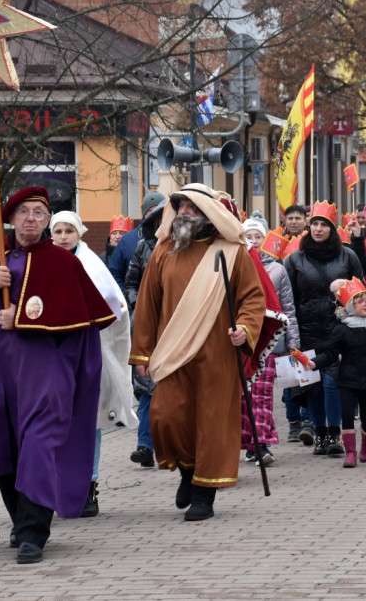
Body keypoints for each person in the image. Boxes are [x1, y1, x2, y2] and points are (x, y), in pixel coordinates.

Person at [0, 187, 116, 564]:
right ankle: (20, 519)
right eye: (24, 212)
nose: (31, 219)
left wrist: (19, 317)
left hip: (43, 372)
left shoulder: (63, 263)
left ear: (48, 219)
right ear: (11, 217)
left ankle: (34, 531)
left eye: (38, 212)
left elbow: (80, 322)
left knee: (39, 443)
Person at [130, 183, 266, 521]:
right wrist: (143, 353)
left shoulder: (232, 252)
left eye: (191, 208)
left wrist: (245, 329)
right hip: (172, 350)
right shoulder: (163, 251)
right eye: (179, 207)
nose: (183, 213)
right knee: (166, 418)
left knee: (211, 422)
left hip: (216, 351)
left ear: (208, 214)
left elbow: (252, 298)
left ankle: (205, 494)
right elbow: (147, 305)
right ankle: (188, 473)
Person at [49, 210, 136, 518]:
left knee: (89, 422)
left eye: (68, 231)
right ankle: (53, 487)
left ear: (79, 233)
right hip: (51, 356)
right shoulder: (43, 261)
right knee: (53, 422)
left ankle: (89, 485)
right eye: (57, 231)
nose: (62, 237)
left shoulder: (90, 264)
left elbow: (115, 305)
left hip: (87, 352)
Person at [283, 200, 364, 456]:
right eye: (315, 224)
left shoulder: (347, 256)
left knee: (332, 382)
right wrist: (290, 334)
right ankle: (319, 433)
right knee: (311, 384)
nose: (319, 229)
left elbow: (359, 293)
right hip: (306, 331)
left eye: (324, 225)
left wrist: (345, 294)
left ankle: (334, 433)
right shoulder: (294, 259)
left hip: (337, 330)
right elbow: (288, 298)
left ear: (332, 229)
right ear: (309, 227)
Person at [308, 277, 366, 467]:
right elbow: (331, 353)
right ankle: (350, 453)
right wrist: (314, 363)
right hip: (347, 379)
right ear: (350, 305)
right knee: (347, 415)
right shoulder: (342, 329)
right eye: (361, 301)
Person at [242, 216, 298, 465]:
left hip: (270, 341)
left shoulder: (277, 269)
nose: (253, 241)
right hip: (242, 341)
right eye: (249, 237)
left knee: (263, 394)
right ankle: (249, 441)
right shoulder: (237, 267)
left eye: (258, 237)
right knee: (244, 395)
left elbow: (288, 308)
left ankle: (262, 442)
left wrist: (292, 341)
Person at [125, 196, 167, 469]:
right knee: (147, 389)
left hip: (175, 325)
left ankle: (172, 446)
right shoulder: (143, 247)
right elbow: (131, 282)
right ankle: (145, 445)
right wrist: (137, 304)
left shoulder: (183, 249)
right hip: (145, 324)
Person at [109, 190, 167, 289]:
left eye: (160, 210)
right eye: (151, 211)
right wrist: (126, 296)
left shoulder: (173, 238)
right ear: (145, 213)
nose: (156, 214)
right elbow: (115, 272)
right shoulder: (128, 240)